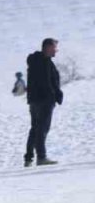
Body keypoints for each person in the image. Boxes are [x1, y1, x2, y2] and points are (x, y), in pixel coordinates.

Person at [25, 38, 63, 168]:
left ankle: (28, 158)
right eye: (54, 48)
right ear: (47, 47)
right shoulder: (44, 62)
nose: (56, 51)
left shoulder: (36, 61)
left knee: (35, 128)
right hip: (44, 100)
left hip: (34, 100)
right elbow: (47, 82)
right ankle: (41, 157)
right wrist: (54, 94)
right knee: (42, 128)